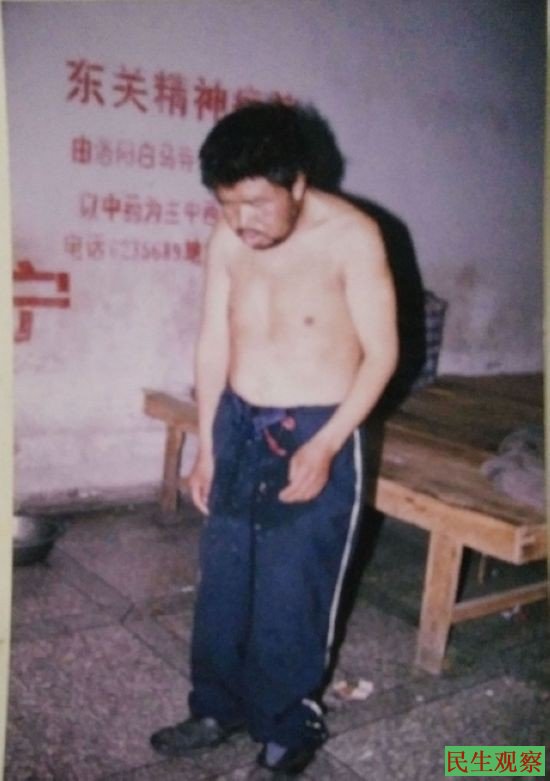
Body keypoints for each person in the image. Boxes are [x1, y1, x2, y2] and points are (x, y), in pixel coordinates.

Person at [150, 101, 398, 775]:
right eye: (226, 203)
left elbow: (383, 355)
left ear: (298, 183)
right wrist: (208, 441)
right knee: (224, 579)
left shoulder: (354, 236)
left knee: (295, 587)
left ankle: (289, 721)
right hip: (238, 422)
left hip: (318, 426)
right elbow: (213, 338)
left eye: (257, 203)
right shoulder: (229, 234)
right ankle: (216, 706)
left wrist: (326, 444)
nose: (241, 221)